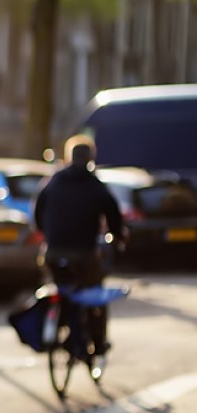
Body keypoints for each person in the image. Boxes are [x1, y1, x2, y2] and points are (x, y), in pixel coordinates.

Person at [33, 134, 124, 369]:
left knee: (61, 286)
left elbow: (37, 214)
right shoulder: (96, 186)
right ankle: (99, 343)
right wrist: (118, 240)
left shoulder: (52, 182)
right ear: (91, 158)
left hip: (52, 254)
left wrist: (48, 236)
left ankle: (61, 320)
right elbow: (114, 218)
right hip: (84, 256)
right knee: (95, 293)